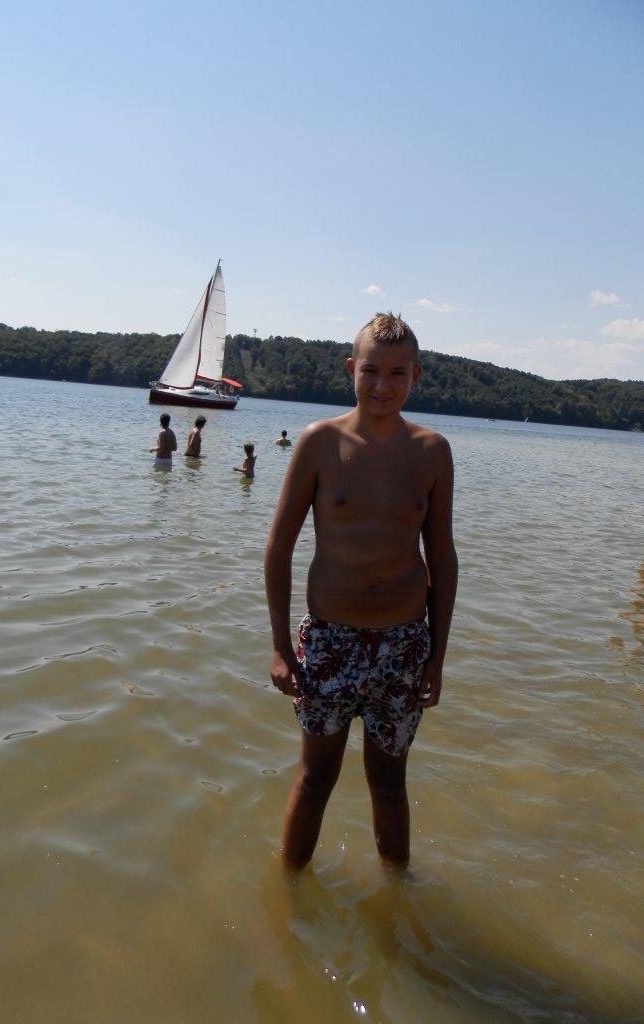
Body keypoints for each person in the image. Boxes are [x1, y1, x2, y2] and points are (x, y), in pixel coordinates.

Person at [264, 312, 457, 869]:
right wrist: (280, 646)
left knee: (390, 781)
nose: (382, 385)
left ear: (416, 376)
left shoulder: (432, 451)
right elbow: (278, 547)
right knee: (315, 777)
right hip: (330, 641)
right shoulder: (319, 443)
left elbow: (442, 558)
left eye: (397, 373)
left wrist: (437, 655)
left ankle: (397, 891)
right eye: (371, 370)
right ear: (351, 368)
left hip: (403, 646)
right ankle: (289, 892)